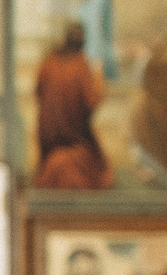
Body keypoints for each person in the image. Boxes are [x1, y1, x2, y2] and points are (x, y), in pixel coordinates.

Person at [36, 19, 113, 189]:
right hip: (75, 136)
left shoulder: (48, 62)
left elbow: (38, 91)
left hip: (48, 136)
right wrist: (99, 78)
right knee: (99, 171)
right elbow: (92, 102)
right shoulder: (80, 64)